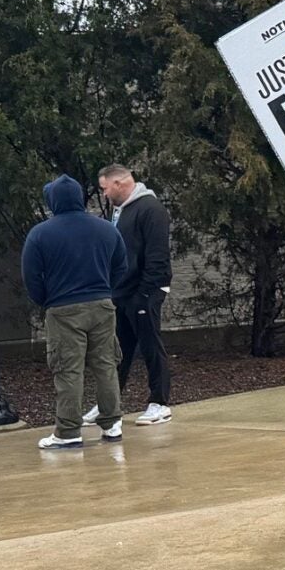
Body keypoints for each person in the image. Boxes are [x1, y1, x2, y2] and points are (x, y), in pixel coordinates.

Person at [21, 176, 127, 451]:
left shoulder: (40, 234)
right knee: (106, 364)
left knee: (68, 369)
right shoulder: (106, 229)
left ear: (53, 201)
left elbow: (31, 276)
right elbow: (121, 266)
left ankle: (68, 431)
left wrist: (47, 300)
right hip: (102, 305)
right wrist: (105, 290)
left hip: (63, 308)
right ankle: (112, 423)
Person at [97, 165, 174, 425]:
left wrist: (146, 292)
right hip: (122, 291)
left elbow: (157, 255)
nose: (104, 194)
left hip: (145, 291)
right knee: (119, 349)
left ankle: (159, 402)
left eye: (105, 188)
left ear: (118, 183)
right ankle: (108, 403)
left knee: (150, 344)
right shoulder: (121, 211)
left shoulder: (151, 209)